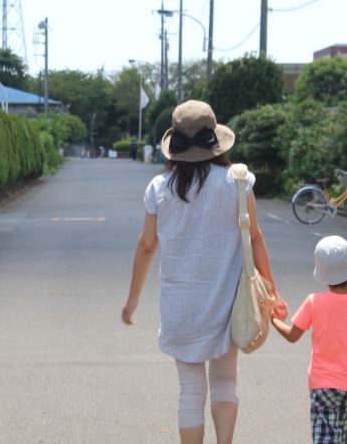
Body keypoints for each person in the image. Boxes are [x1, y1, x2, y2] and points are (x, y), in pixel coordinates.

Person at [121, 100, 287, 444]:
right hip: (227, 303)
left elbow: (146, 246)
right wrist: (272, 291)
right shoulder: (239, 181)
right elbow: (255, 237)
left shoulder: (159, 188)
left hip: (181, 306)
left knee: (190, 390)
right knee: (226, 380)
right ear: (215, 141)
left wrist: (132, 301)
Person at [272, 235, 347, 443]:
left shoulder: (314, 302)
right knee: (346, 439)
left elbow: (292, 336)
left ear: (323, 274)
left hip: (323, 387)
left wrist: (273, 319)